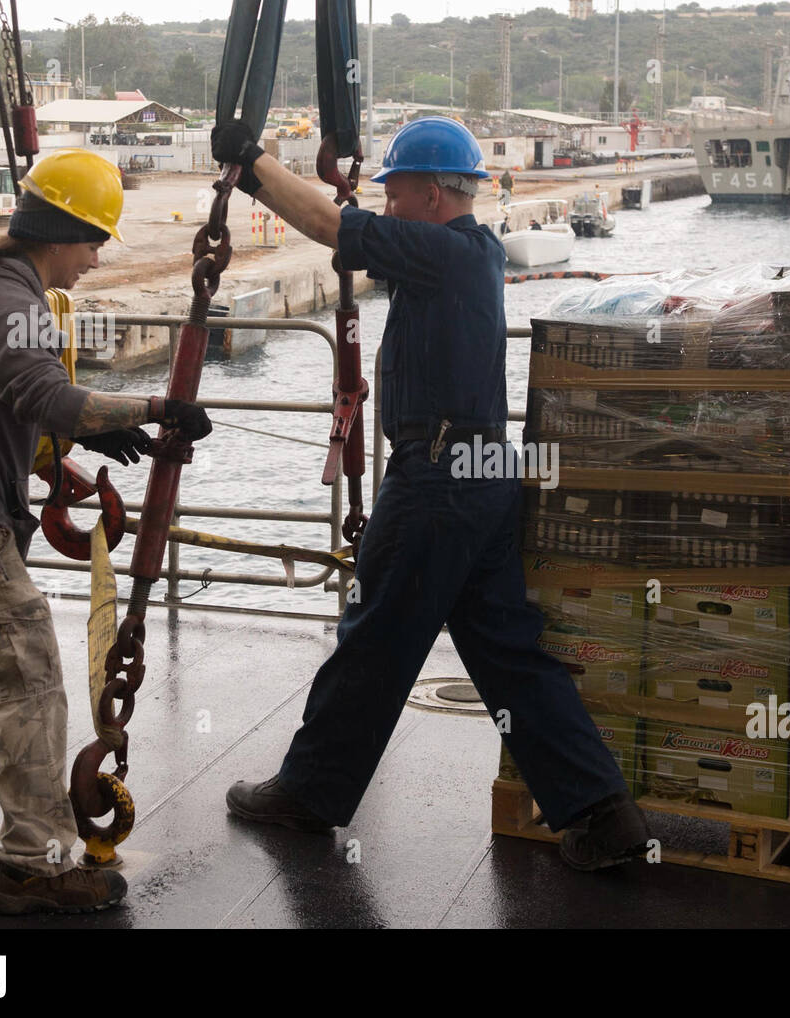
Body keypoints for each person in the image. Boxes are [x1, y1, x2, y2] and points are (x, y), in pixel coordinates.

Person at [211, 115, 650, 871]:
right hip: (482, 478)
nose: (387, 203)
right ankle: (602, 814)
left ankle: (310, 794)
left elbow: (329, 223)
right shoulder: (465, 255)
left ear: (433, 194)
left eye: (397, 189)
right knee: (509, 652)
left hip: (439, 480)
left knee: (373, 638)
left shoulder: (442, 252)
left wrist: (252, 166)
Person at [0, 148, 213, 914]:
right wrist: (153, 409)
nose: (95, 259)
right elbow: (39, 391)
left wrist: (87, 436)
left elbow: (14, 401)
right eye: (95, 241)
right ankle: (35, 863)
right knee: (28, 682)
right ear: (62, 231)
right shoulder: (12, 301)